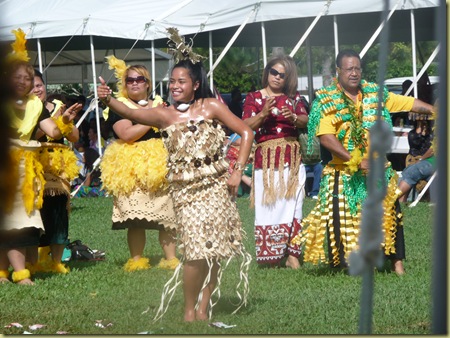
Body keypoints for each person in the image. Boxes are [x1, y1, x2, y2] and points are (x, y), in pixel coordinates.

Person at [96, 27, 253, 322]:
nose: (175, 86)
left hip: (216, 188)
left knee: (215, 250)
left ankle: (204, 306)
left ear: (195, 84)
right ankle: (188, 310)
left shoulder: (212, 107)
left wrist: (237, 172)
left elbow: (245, 132)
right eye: (172, 82)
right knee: (195, 251)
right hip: (186, 193)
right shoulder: (164, 114)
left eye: (182, 81)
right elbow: (132, 115)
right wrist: (107, 99)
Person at [291, 49, 435, 275]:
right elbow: (326, 137)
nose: (354, 73)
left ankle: (397, 264)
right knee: (341, 221)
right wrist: (354, 161)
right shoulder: (326, 101)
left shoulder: (374, 95)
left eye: (357, 68)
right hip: (343, 171)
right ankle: (342, 265)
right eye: (349, 69)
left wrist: (435, 110)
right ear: (338, 71)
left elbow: (408, 102)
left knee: (390, 215)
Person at [99, 58, 178, 271]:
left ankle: (171, 259)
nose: (134, 83)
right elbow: (127, 134)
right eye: (129, 80)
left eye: (139, 79)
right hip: (130, 167)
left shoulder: (161, 103)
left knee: (167, 215)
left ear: (148, 84)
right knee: (134, 218)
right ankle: (137, 260)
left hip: (160, 165)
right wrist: (154, 117)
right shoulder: (119, 107)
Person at [0, 29, 66, 285]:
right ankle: (16, 273)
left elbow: (53, 131)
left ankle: (6, 272)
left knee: (20, 218)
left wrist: (66, 123)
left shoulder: (35, 105)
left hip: (26, 168)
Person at [242, 55, 308, 269]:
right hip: (267, 160)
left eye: (283, 74)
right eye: (274, 72)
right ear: (267, 72)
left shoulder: (293, 98)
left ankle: (292, 254)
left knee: (294, 205)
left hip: (292, 156)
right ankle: (272, 254)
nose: (278, 77)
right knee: (269, 205)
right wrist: (263, 113)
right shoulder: (254, 97)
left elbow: (306, 119)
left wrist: (294, 119)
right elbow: (245, 125)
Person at [30, 70, 81, 274]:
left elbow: (74, 137)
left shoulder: (59, 107)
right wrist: (53, 122)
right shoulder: (26, 111)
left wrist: (65, 121)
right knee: (37, 212)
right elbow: (34, 134)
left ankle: (57, 261)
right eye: (32, 86)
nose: (37, 89)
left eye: (39, 85)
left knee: (59, 212)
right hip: (34, 165)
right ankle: (39, 260)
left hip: (58, 167)